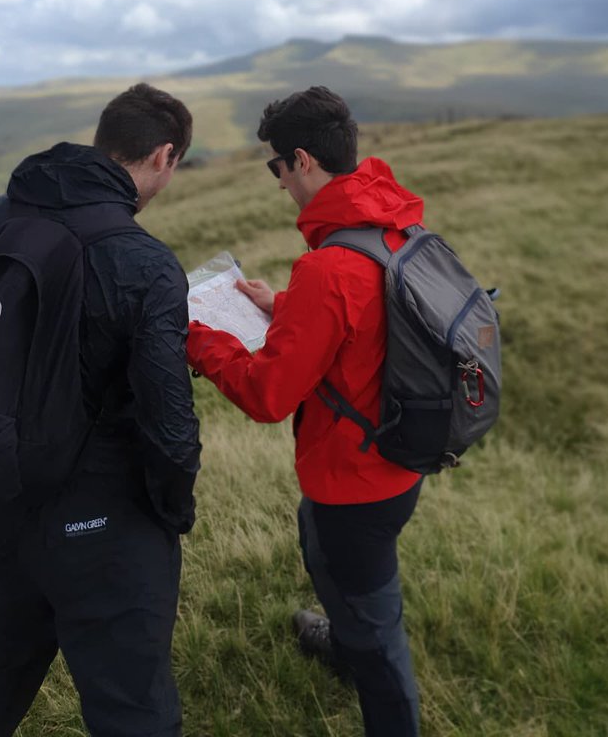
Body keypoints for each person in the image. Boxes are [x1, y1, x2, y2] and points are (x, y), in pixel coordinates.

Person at [0, 82, 201, 737]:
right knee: (131, 710)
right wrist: (171, 512)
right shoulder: (144, 262)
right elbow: (169, 422)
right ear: (165, 157)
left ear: (101, 140)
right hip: (108, 524)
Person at [187, 86, 425, 737]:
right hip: (397, 456)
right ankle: (346, 640)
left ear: (302, 161)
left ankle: (369, 671)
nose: (279, 183)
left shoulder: (329, 267)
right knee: (319, 542)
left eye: (276, 169)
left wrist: (200, 338)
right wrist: (285, 306)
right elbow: (368, 314)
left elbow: (268, 396)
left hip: (357, 480)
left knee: (381, 638)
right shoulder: (393, 223)